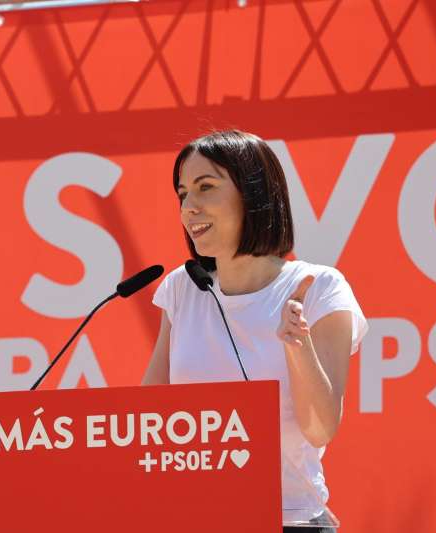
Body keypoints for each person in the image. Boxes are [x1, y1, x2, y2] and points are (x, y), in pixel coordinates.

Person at [142, 130, 368, 533]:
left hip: (291, 521)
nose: (188, 208)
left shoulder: (320, 287)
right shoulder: (183, 288)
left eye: (205, 187)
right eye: (182, 194)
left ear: (252, 193)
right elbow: (149, 422)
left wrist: (298, 346)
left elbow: (320, 427)